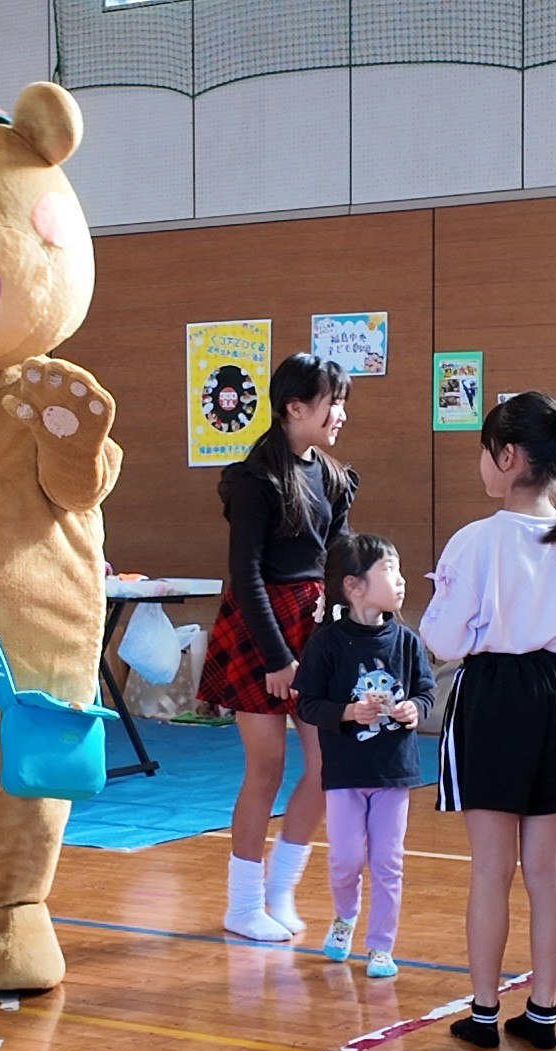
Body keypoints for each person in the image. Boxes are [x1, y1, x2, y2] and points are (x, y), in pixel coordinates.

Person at [421, 391, 556, 1051]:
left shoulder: (476, 541)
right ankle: (542, 1013)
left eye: (484, 451)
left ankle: (482, 1015)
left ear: (506, 457)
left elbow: (444, 640)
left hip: (498, 697)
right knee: (545, 868)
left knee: (489, 868)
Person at [198, 352, 356, 942]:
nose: (340, 414)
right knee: (265, 767)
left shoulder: (335, 476)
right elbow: (247, 572)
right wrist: (276, 659)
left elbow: (337, 560)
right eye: (331, 402)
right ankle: (242, 906)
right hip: (261, 630)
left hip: (312, 630)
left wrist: (345, 627)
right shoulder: (255, 480)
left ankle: (280, 890)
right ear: (294, 408)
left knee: (325, 766)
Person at [293, 533, 433, 980]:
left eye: (399, 570)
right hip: (345, 775)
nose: (400, 580)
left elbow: (426, 690)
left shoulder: (407, 642)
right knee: (345, 859)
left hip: (394, 773)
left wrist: (416, 708)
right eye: (389, 570)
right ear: (353, 587)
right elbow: (307, 703)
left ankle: (380, 947)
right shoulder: (328, 643)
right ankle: (344, 917)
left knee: (389, 862)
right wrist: (349, 712)